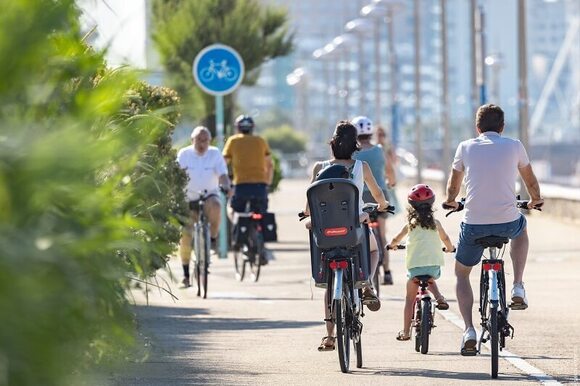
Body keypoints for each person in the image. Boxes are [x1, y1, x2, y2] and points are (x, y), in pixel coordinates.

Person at [442, 104, 544, 355]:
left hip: (473, 224)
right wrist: (535, 200)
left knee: (462, 274)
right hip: (507, 220)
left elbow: (453, 188)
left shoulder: (465, 147)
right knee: (521, 228)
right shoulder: (514, 145)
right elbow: (530, 181)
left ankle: (468, 330)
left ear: (478, 128)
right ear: (502, 127)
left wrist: (451, 201)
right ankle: (518, 285)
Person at [303, 120, 390, 351]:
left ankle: (329, 336)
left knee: (331, 284)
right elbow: (378, 193)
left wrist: (306, 214)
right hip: (354, 229)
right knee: (374, 251)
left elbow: (309, 204)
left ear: (332, 144)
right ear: (355, 145)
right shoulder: (362, 167)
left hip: (325, 233)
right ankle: (367, 282)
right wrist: (382, 205)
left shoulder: (319, 167)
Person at [387, 184, 455, 341]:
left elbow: (397, 238)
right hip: (433, 267)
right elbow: (445, 239)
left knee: (409, 300)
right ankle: (439, 298)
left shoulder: (410, 224)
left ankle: (405, 332)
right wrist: (450, 249)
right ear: (431, 204)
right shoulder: (436, 224)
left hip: (414, 269)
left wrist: (393, 245)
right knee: (430, 276)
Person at [177, 126, 232, 288]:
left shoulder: (215, 153)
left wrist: (227, 187)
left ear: (209, 141)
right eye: (199, 140)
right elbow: (177, 174)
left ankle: (212, 240)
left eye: (205, 140)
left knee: (216, 205)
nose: (202, 143)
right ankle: (186, 274)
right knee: (185, 236)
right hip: (189, 198)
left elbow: (222, 175)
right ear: (192, 140)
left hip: (209, 196)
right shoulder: (184, 154)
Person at [352, 116, 397, 285]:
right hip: (380, 195)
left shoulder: (353, 152)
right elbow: (390, 172)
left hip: (360, 197)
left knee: (362, 233)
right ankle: (387, 272)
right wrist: (391, 184)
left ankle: (364, 267)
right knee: (383, 235)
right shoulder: (379, 150)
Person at [223, 115, 273, 216]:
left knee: (232, 209)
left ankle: (237, 227)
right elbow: (270, 165)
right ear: (252, 127)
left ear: (238, 128)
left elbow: (223, 163)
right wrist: (267, 183)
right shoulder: (261, 141)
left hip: (240, 185)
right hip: (260, 186)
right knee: (261, 215)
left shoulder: (233, 141)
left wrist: (227, 183)